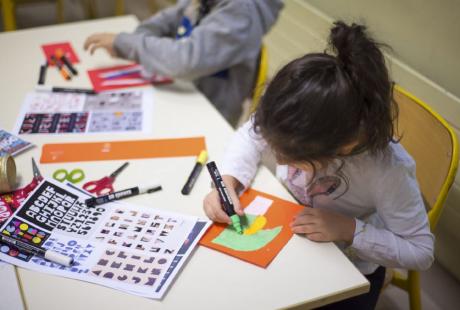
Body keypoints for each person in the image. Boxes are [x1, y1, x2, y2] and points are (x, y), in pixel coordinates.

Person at [203, 21, 434, 309]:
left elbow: (421, 252)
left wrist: (349, 229)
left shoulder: (386, 171)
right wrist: (229, 180)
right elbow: (251, 135)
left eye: (292, 156)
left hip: (346, 268)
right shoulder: (298, 109)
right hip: (289, 231)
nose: (281, 161)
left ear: (341, 149)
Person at [83, 0, 284, 126]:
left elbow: (185, 61)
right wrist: (137, 39)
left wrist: (127, 44)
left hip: (209, 113)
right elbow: (168, 20)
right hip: (182, 89)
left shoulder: (241, 11)